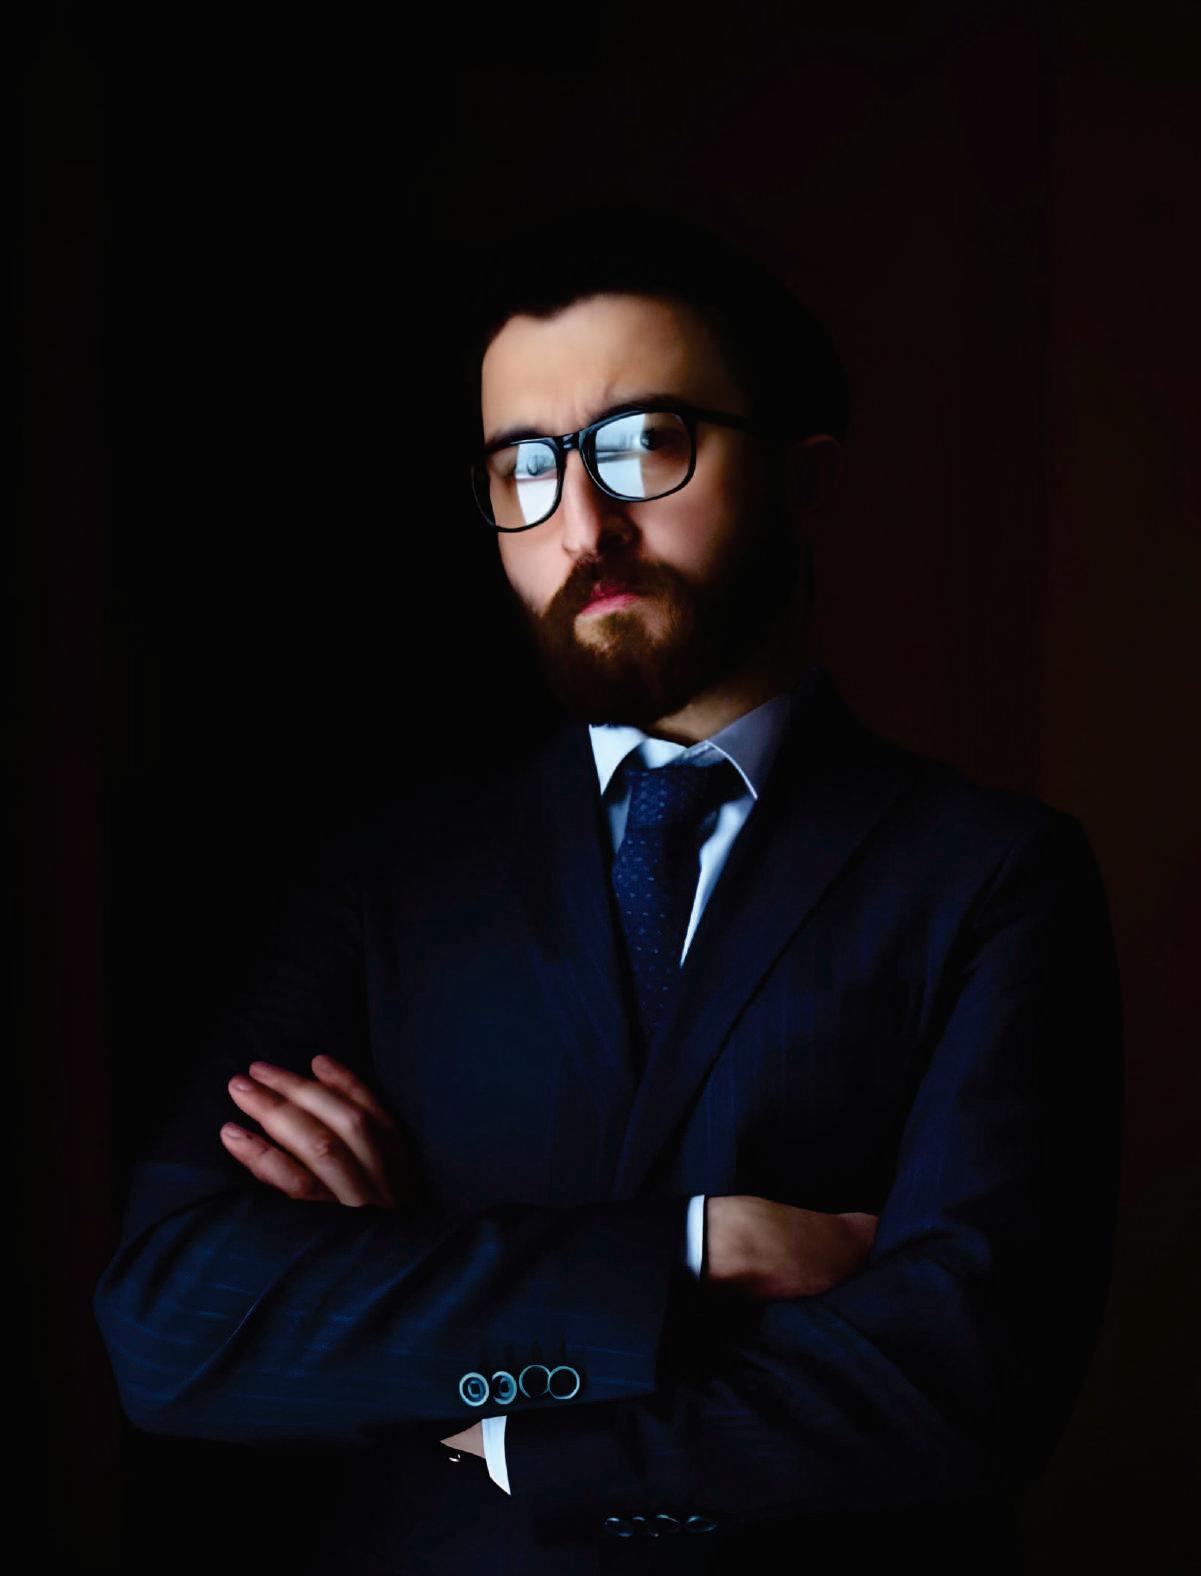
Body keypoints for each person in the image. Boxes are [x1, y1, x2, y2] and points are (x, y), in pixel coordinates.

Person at [92, 202, 1124, 1575]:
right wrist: (689, 1250)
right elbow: (172, 1325)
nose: (582, 522)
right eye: (523, 467)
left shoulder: (990, 877)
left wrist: (490, 1424)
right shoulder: (387, 880)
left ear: (804, 479)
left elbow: (959, 1386)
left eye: (644, 445)